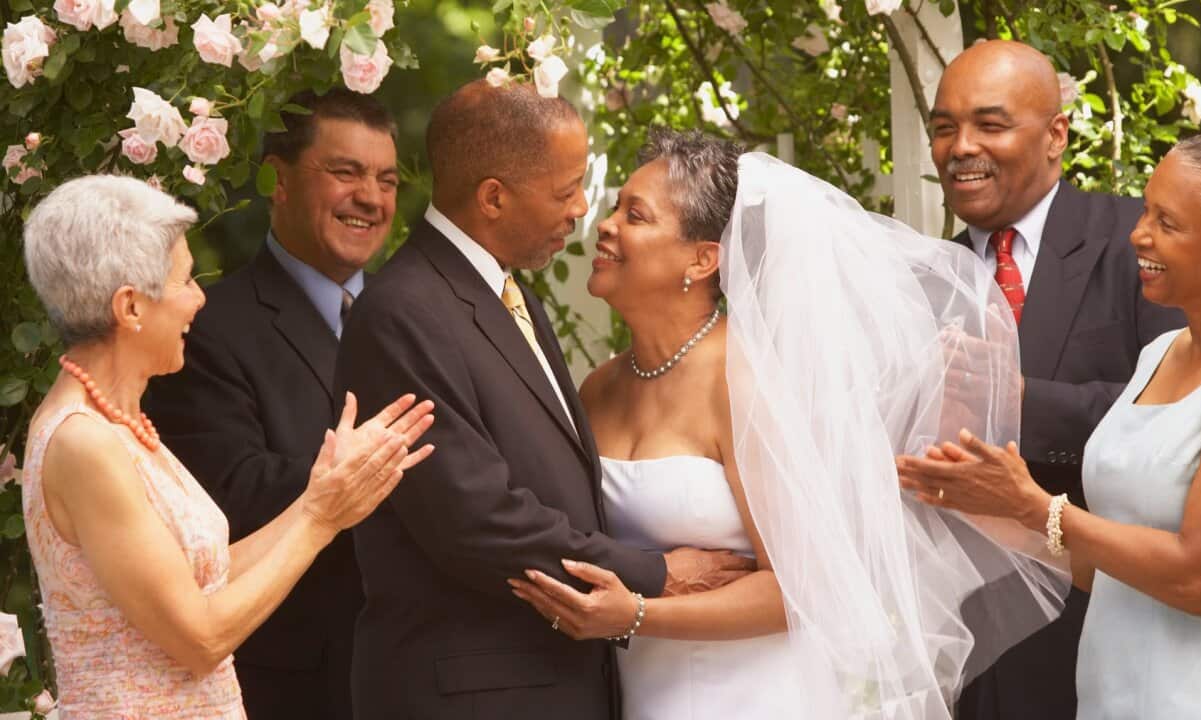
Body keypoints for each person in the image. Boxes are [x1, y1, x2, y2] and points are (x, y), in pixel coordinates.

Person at [509, 129, 1071, 719]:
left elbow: (803, 590)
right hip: (633, 687)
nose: (605, 224)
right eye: (616, 207)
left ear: (702, 259)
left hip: (749, 692)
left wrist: (639, 615)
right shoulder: (599, 387)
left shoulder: (744, 381)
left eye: (636, 215)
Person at [333, 82, 753, 720]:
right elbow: (476, 518)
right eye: (566, 191)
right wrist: (656, 576)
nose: (584, 212)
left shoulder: (513, 300)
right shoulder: (404, 313)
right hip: (472, 696)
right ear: (494, 197)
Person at [20, 175, 435, 718]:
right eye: (185, 281)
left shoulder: (117, 424)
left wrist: (318, 495)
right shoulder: (83, 442)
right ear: (131, 308)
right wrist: (322, 520)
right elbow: (200, 640)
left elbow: (204, 581)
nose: (199, 300)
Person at [899, 131, 1201, 718]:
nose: (1138, 234)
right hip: (1112, 689)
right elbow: (1108, 568)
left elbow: (1196, 580)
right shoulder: (1161, 355)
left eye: (1167, 223)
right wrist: (976, 505)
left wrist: (1035, 505)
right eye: (1146, 209)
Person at [927, 39, 1185, 720]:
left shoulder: (1138, 239)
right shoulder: (920, 276)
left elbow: (1187, 421)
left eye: (990, 124)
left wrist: (1020, 400)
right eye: (944, 127)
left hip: (1112, 622)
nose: (961, 147)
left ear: (1056, 135)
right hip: (958, 644)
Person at [144, 88, 399, 720]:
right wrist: (388, 470)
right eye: (346, 172)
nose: (371, 196)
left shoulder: (414, 318)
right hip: (296, 686)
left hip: (417, 676)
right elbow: (227, 498)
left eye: (387, 179)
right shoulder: (207, 330)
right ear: (279, 181)